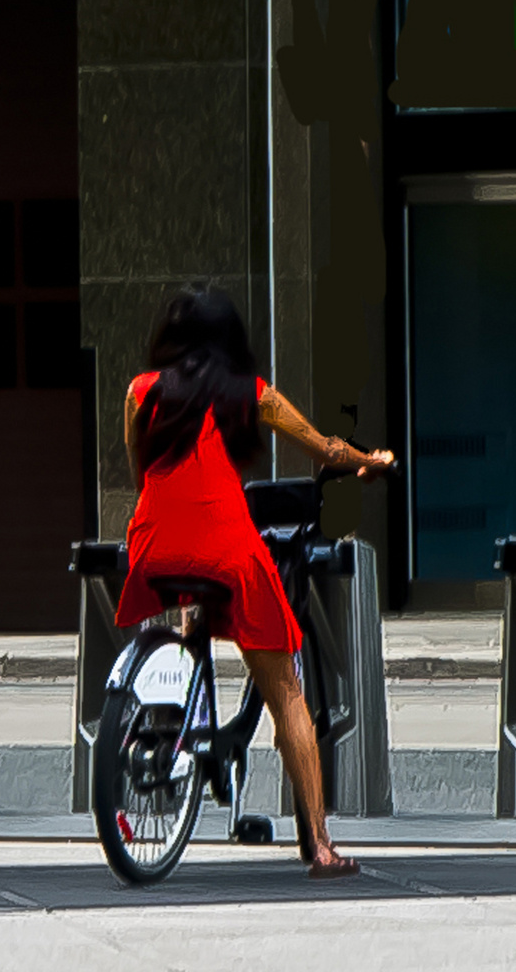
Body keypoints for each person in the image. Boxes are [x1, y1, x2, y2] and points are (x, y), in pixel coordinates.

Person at [117, 284, 393, 880]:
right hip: (228, 550)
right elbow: (322, 447)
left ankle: (185, 712)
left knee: (189, 597)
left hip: (153, 542)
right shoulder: (254, 396)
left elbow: (140, 466)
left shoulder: (142, 392)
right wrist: (369, 462)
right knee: (286, 688)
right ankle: (319, 844)